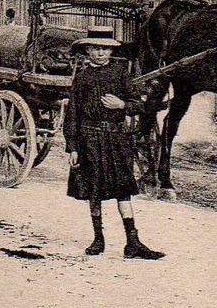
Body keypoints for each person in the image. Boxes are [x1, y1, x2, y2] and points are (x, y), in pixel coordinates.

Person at [65, 28, 163, 259]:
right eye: (96, 49)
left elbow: (139, 104)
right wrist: (73, 147)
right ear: (87, 50)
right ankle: (98, 239)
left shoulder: (120, 73)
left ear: (112, 50)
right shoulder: (82, 77)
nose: (101, 53)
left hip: (117, 140)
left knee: (123, 190)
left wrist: (122, 106)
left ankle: (133, 242)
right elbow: (73, 114)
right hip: (89, 139)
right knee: (94, 190)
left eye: (105, 49)